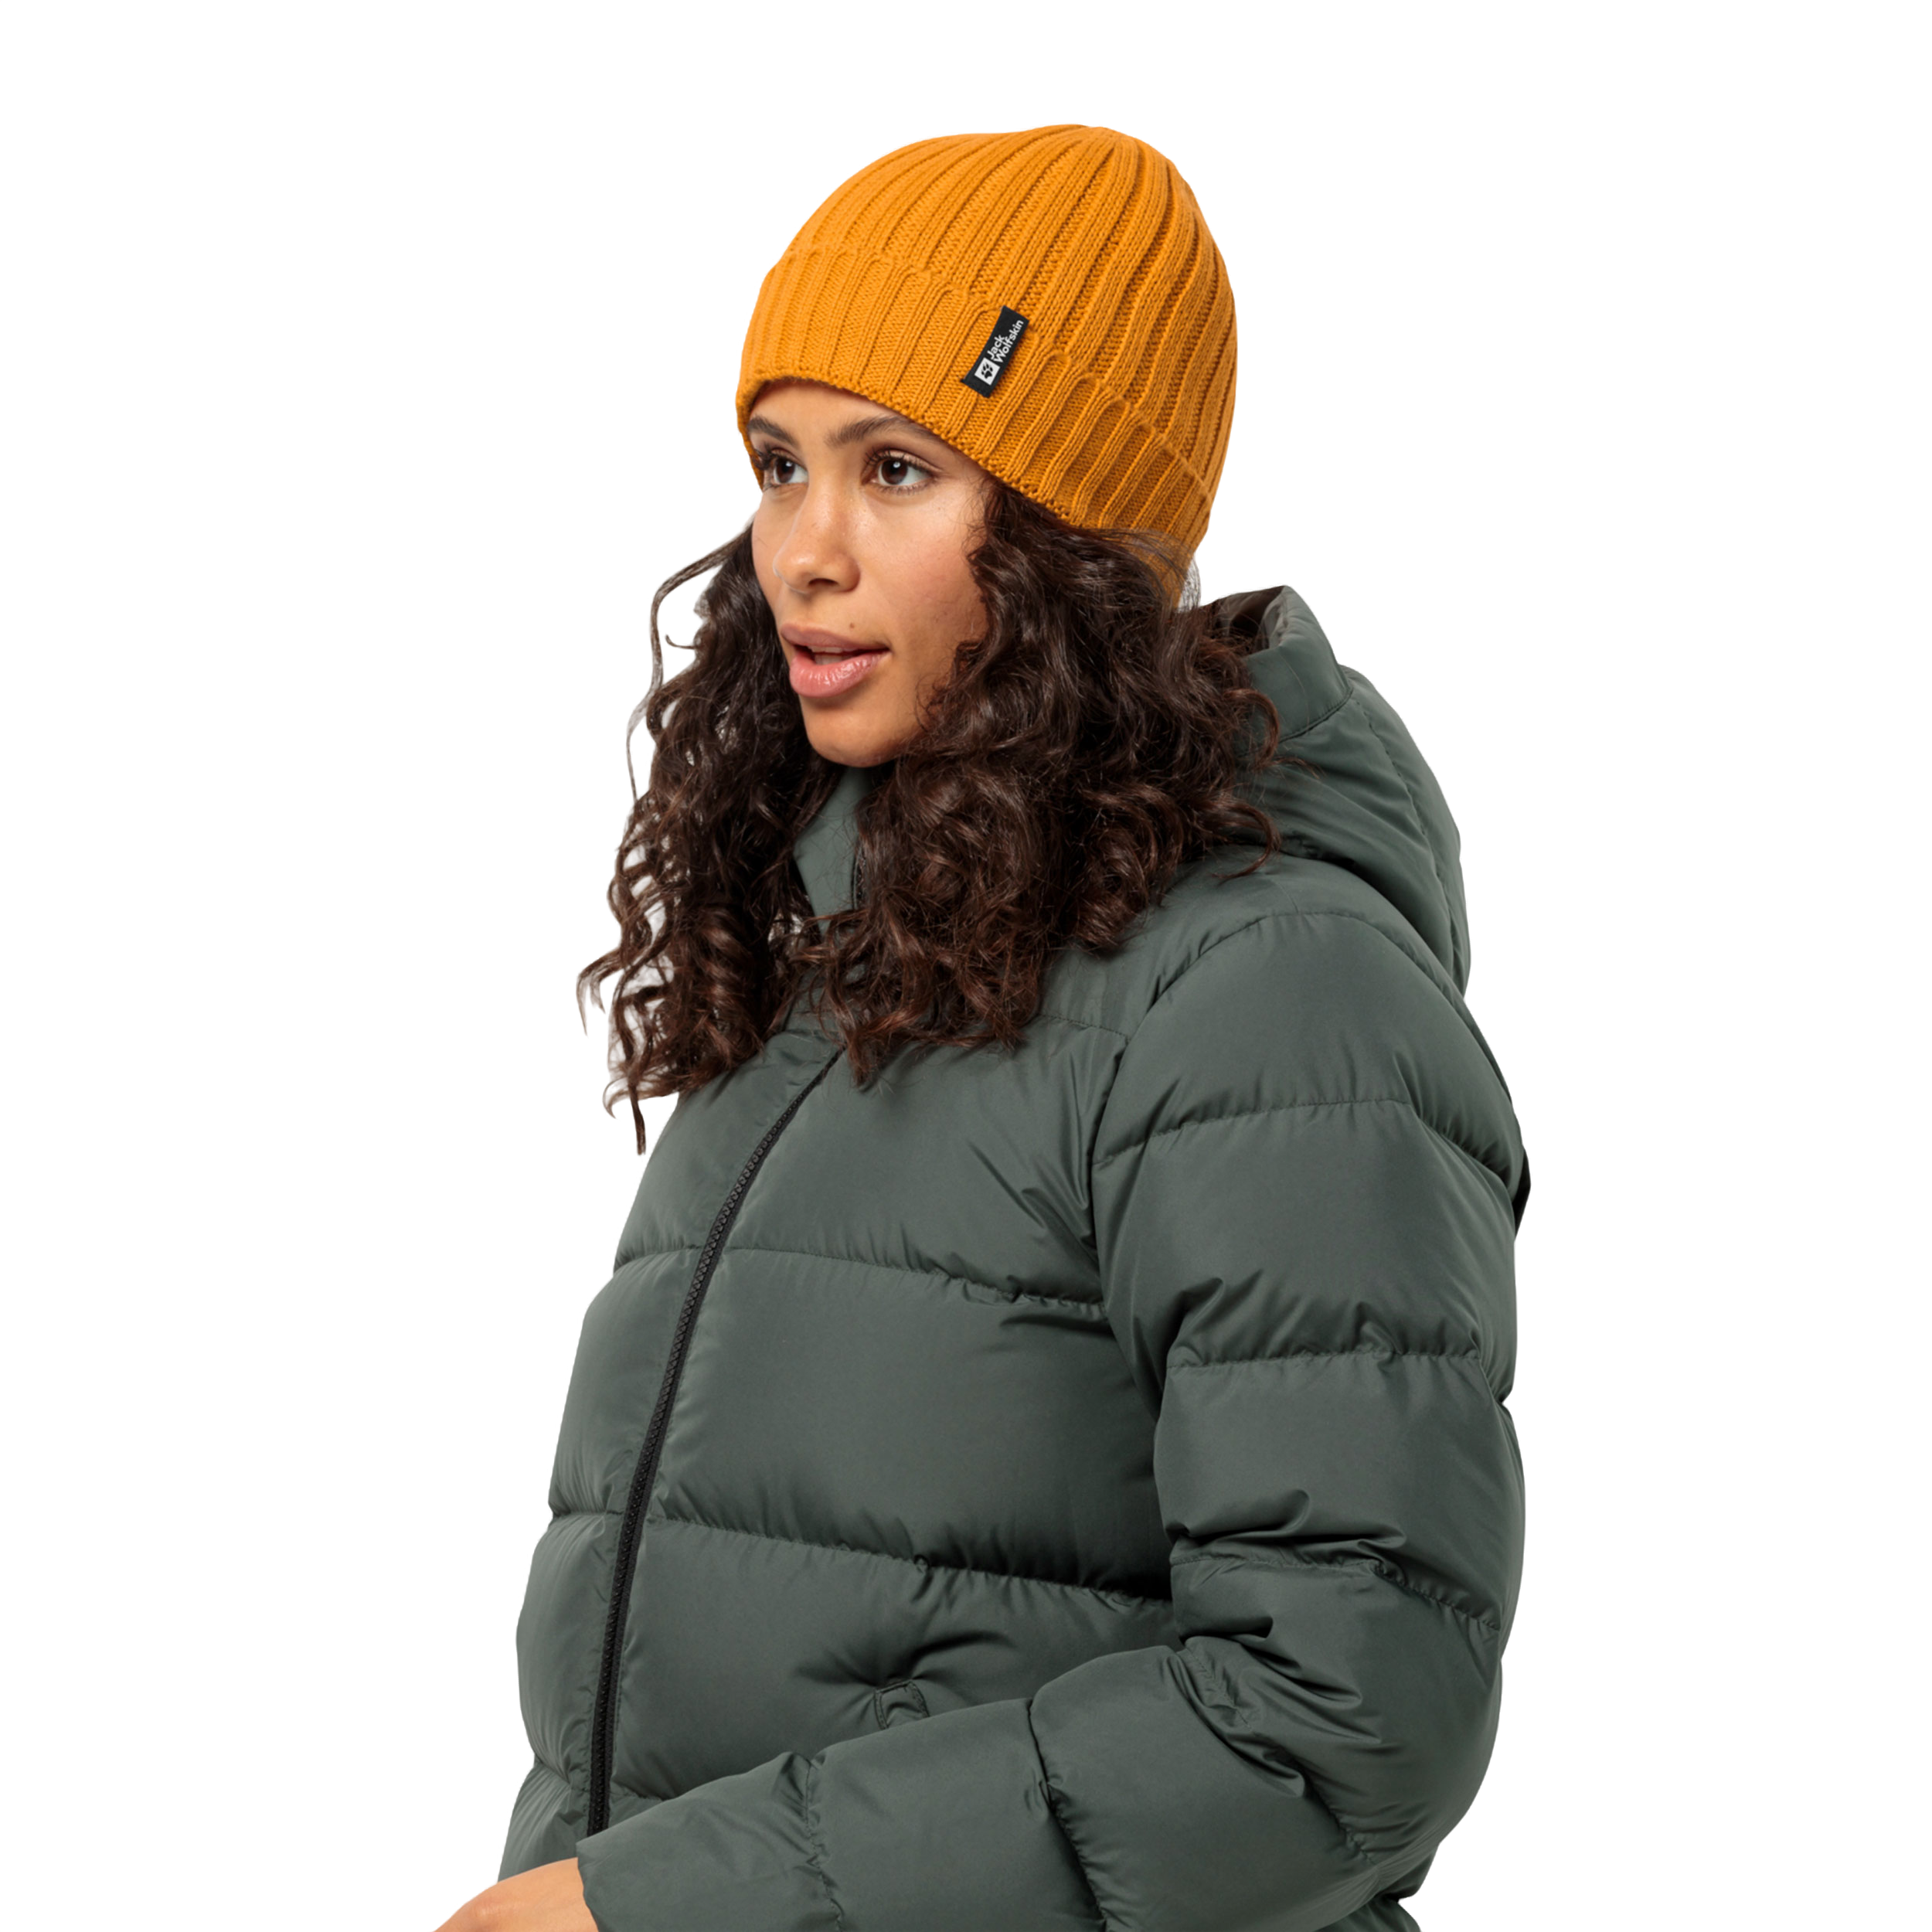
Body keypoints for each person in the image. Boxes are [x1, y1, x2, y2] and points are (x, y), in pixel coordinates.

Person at [433, 120, 1531, 1932]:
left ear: (1082, 537)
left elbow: (1338, 1724)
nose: (802, 552)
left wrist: (657, 1910)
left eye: (896, 468)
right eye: (777, 464)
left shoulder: (1270, 994)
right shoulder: (831, 958)